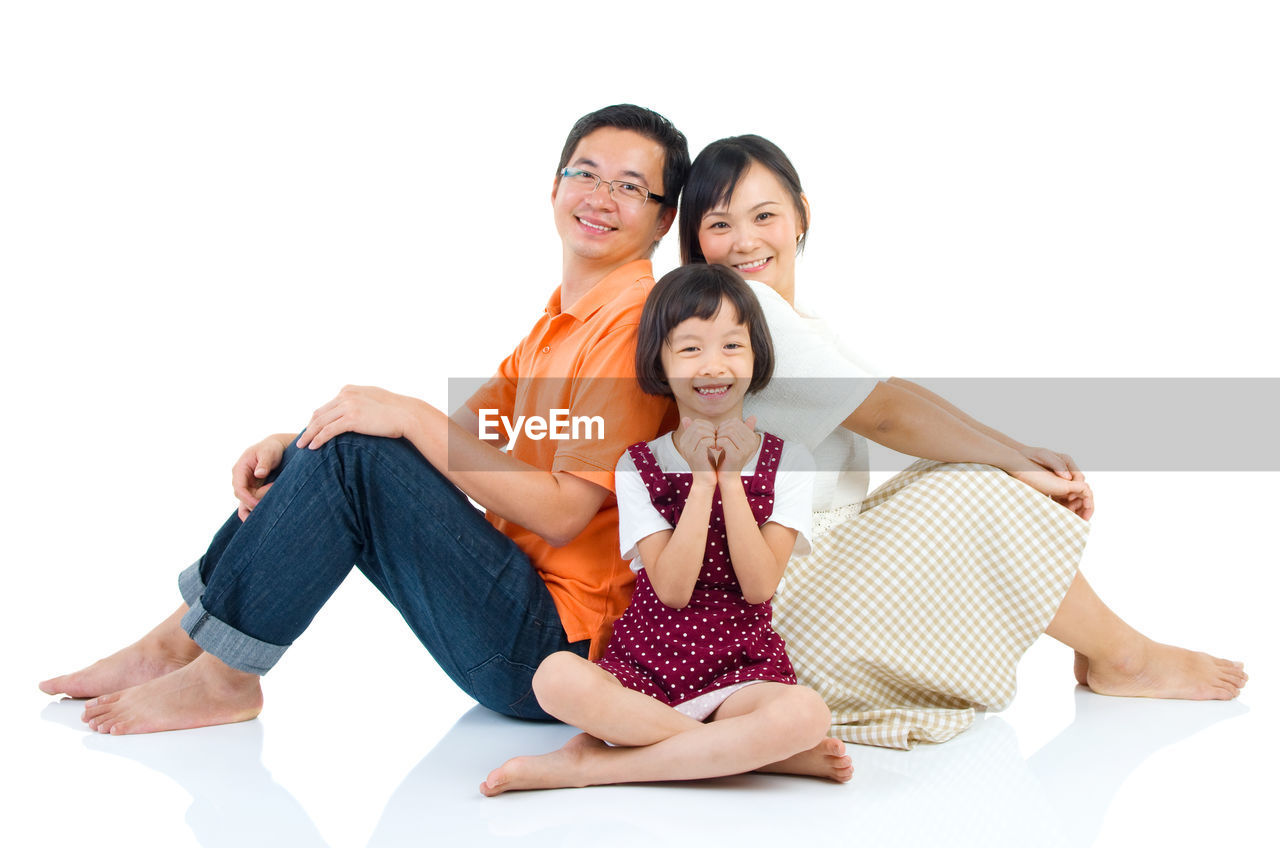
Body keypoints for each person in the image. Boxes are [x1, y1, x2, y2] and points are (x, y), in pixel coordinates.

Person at [38, 104, 691, 734]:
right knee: (350, 440)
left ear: (663, 222)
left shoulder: (634, 327)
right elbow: (445, 451)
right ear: (553, 187)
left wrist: (397, 417)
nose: (601, 196)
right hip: (520, 618)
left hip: (556, 655)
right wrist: (297, 451)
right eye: (586, 173)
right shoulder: (558, 324)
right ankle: (177, 642)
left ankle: (224, 676)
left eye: (631, 186)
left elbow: (563, 513)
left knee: (361, 447)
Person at [677, 135, 1248, 749]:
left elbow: (891, 392)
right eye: (719, 223)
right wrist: (1011, 461)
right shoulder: (735, 313)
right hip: (764, 604)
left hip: (800, 571)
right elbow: (886, 415)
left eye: (764, 216)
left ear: (801, 216)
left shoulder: (791, 319)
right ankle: (1125, 656)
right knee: (972, 487)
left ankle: (1108, 651)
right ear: (695, 239)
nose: (744, 241)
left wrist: (1014, 453)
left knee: (972, 476)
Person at [480, 264, 851, 796]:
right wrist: (703, 483)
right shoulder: (638, 465)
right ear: (660, 360)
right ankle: (754, 758)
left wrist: (730, 483)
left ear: (756, 355)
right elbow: (674, 590)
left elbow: (759, 586)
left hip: (740, 668)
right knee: (553, 678)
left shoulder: (790, 460)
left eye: (731, 345)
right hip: (647, 662)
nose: (714, 366)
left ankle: (593, 767)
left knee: (806, 714)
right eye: (690, 349)